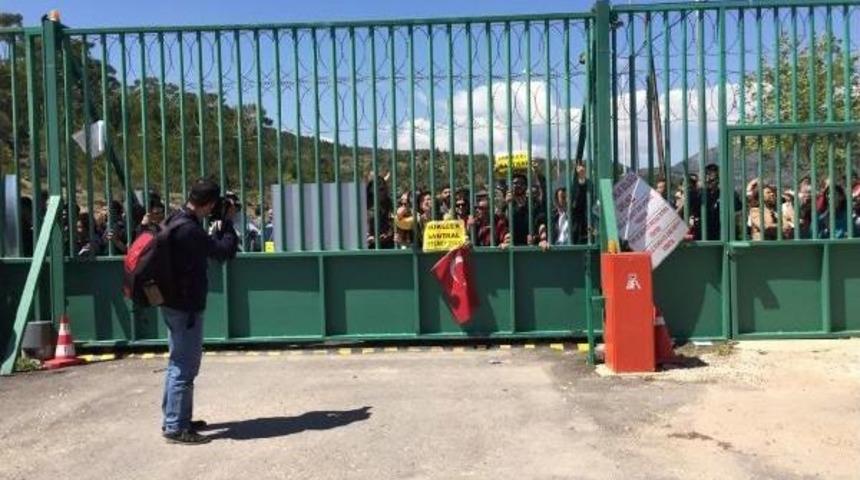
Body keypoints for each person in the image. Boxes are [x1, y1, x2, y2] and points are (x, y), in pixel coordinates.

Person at [160, 179, 238, 445]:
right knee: (184, 365)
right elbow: (223, 251)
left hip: (172, 302)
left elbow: (204, 248)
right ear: (209, 204)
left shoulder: (176, 219)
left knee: (176, 362)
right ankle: (176, 426)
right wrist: (227, 224)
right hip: (185, 307)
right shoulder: (189, 230)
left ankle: (176, 417)